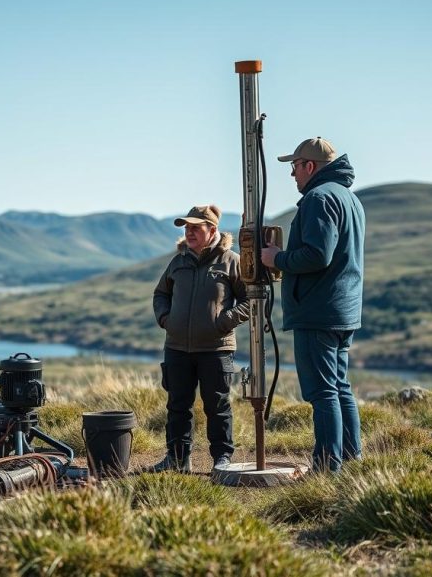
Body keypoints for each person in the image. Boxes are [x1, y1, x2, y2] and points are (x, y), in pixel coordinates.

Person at [260, 137, 365, 472]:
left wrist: (277, 257)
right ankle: (350, 459)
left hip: (318, 310)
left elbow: (318, 255)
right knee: (339, 387)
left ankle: (326, 468)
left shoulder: (318, 198)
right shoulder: (349, 198)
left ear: (309, 166)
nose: (292, 174)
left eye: (294, 166)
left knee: (322, 393)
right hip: (342, 310)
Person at [150, 204, 249, 473]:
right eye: (187, 227)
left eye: (196, 227)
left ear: (212, 229)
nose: (189, 232)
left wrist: (225, 321)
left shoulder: (231, 260)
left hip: (216, 348)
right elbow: (160, 294)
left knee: (217, 405)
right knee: (178, 405)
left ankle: (222, 458)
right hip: (177, 347)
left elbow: (250, 298)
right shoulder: (178, 261)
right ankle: (177, 458)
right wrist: (166, 319)